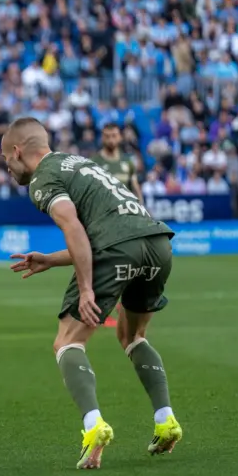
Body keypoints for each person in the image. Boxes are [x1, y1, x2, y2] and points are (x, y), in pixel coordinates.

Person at [1, 117, 183, 470]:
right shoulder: (79, 163)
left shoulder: (42, 179)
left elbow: (75, 228)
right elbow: (101, 233)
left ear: (18, 151)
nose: (7, 166)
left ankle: (93, 427)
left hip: (121, 248)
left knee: (67, 342)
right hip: (158, 244)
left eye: (6, 157)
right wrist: (51, 260)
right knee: (131, 334)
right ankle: (165, 420)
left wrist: (86, 289)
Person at [90, 123, 145, 328]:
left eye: (114, 135)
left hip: (126, 222)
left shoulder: (127, 163)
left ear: (120, 137)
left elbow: (135, 189)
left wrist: (142, 213)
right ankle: (100, 309)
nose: (111, 140)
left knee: (127, 264)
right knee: (104, 265)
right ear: (102, 138)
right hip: (103, 222)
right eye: (107, 136)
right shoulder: (94, 162)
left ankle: (122, 304)